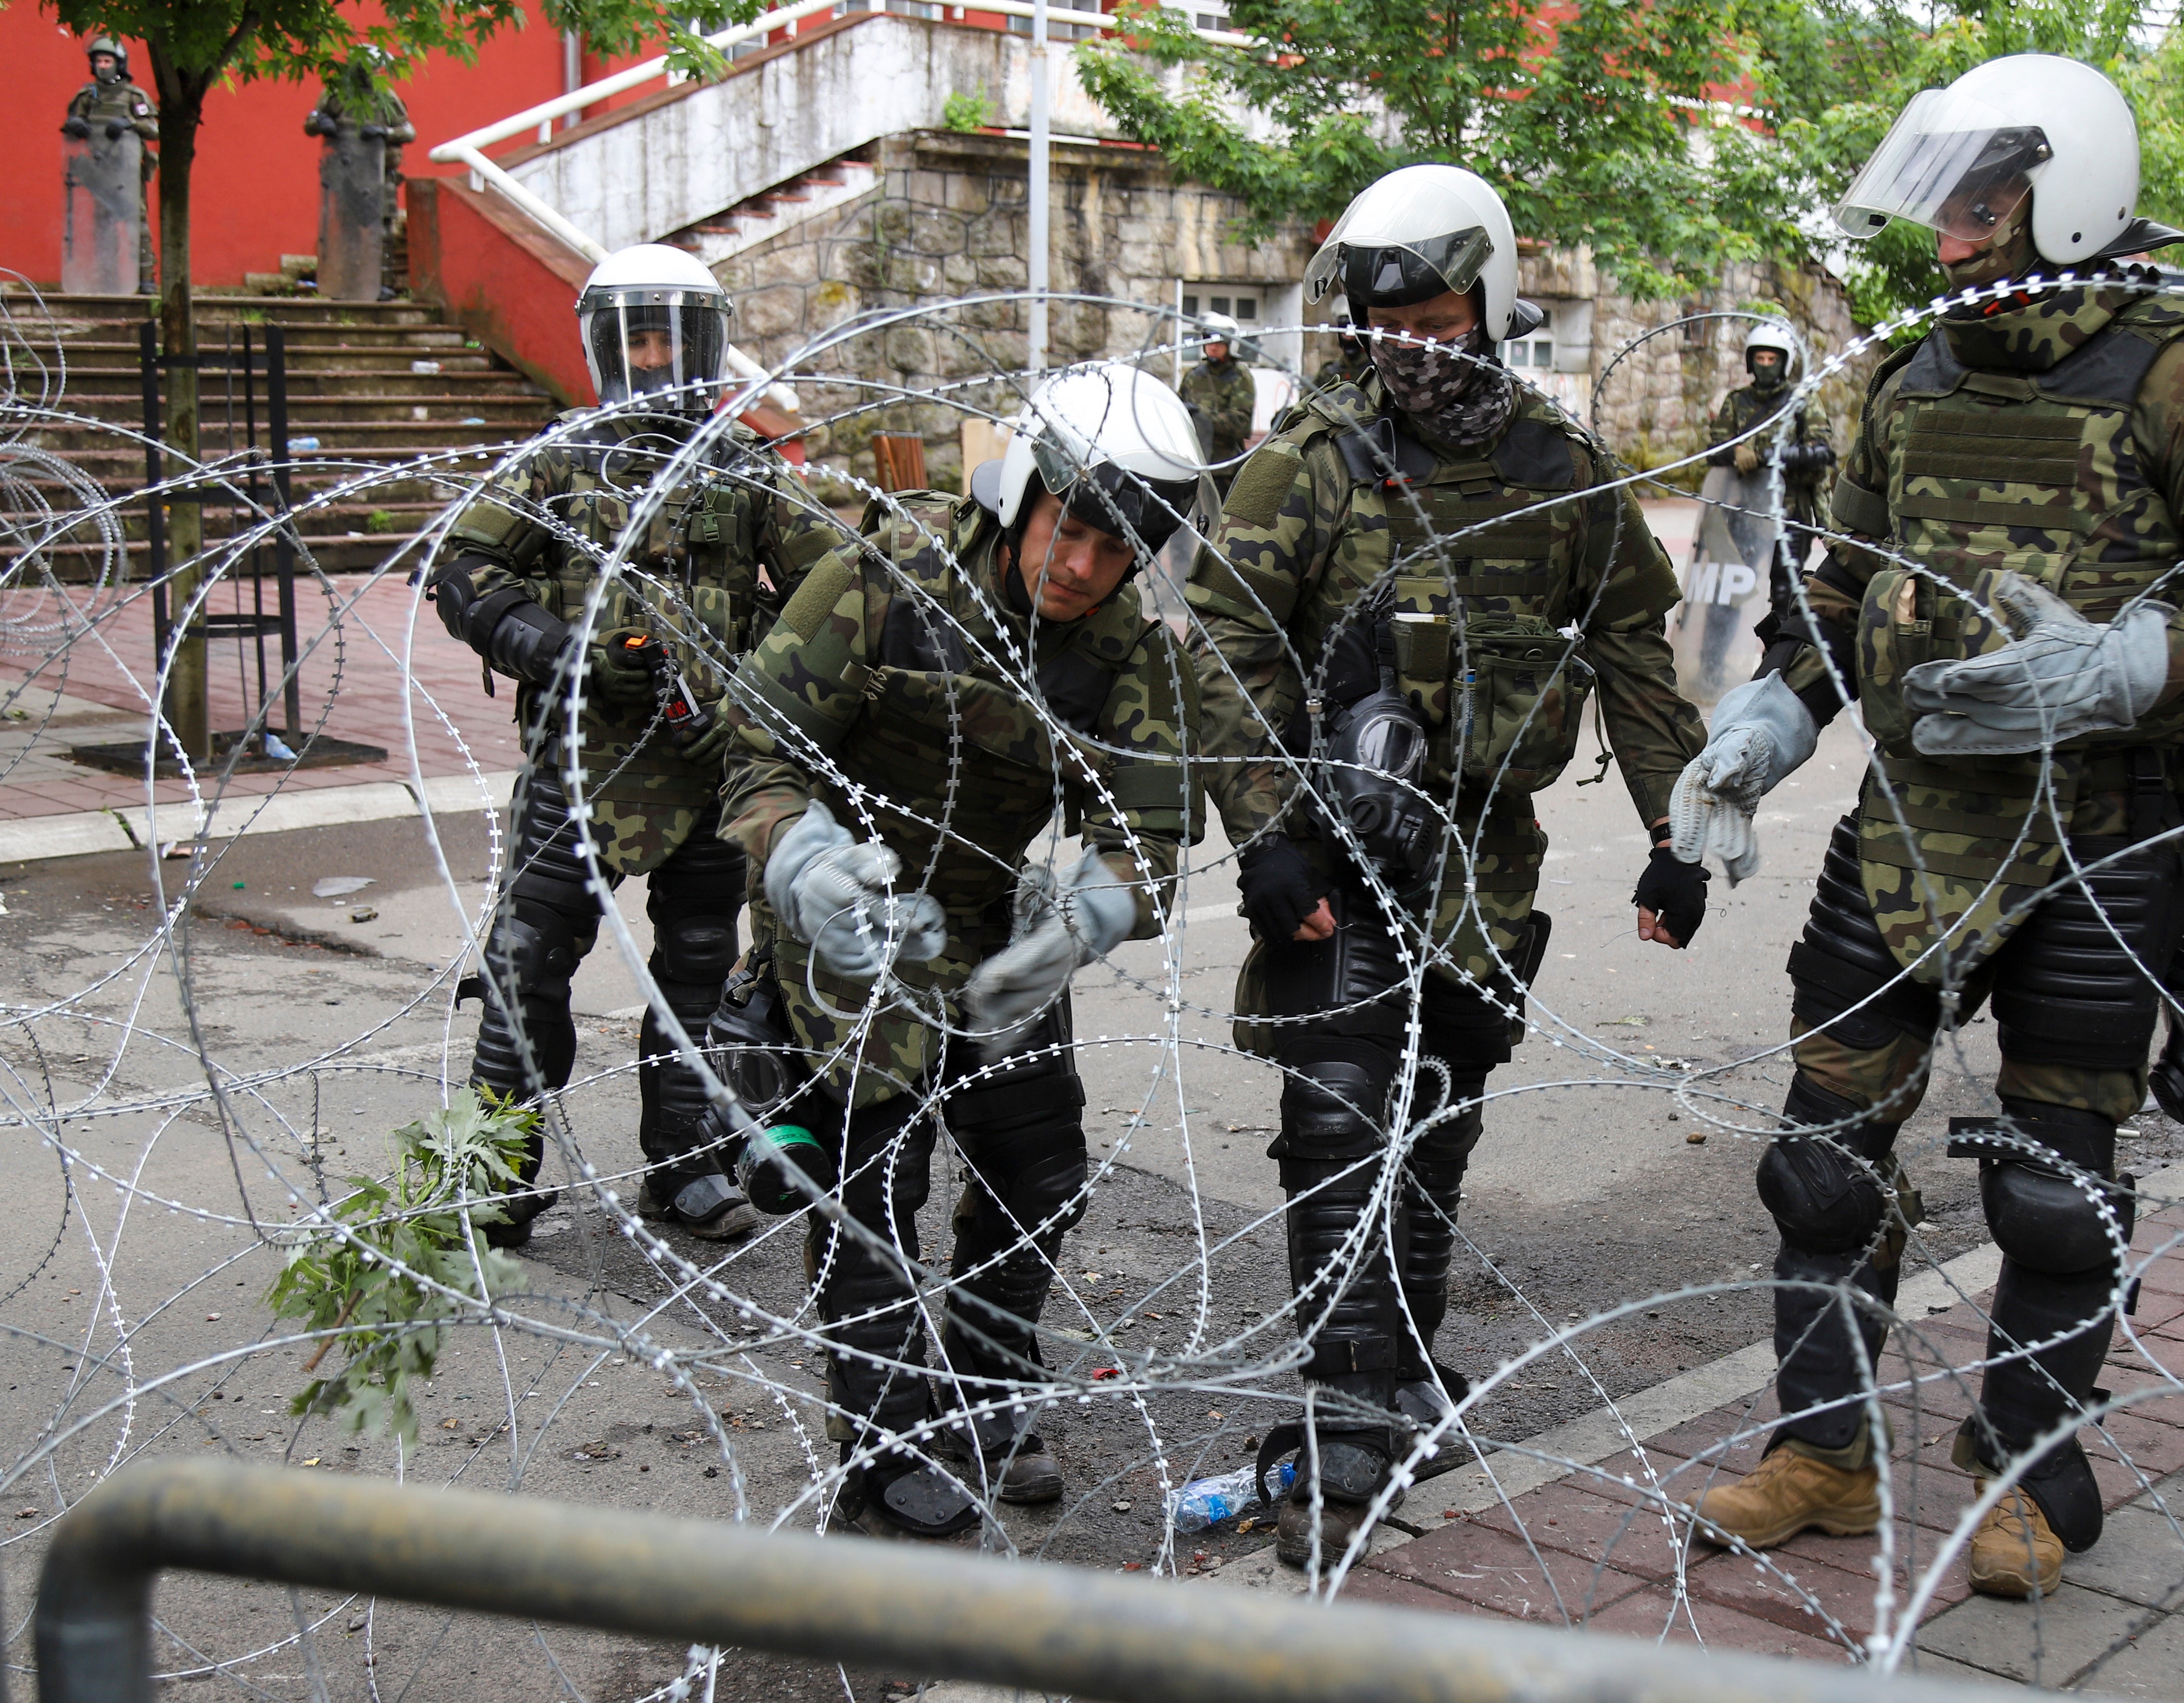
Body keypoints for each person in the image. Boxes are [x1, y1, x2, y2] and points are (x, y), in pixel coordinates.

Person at [1672, 54, 2184, 1599]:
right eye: (1950, 205)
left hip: (2104, 838)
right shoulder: (1909, 377)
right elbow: (1835, 586)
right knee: (1822, 1163)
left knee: (2054, 1179)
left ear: (2072, 195)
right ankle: (1824, 1455)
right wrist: (1773, 721)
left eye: (1984, 204)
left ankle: (2030, 1467)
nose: (1954, 239)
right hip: (1911, 829)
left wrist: (2134, 660)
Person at [1187, 162, 1711, 1570]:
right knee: (1342, 1110)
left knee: (1436, 1110)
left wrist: (1679, 830)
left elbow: (1634, 658)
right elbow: (1223, 643)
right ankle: (1344, 1423)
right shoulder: (1319, 457)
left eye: (1427, 304)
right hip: (1343, 839)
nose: (1403, 333)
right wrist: (1267, 824)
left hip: (1487, 852)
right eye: (1380, 309)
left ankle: (1400, 1361)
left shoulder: (1558, 468)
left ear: (1482, 299)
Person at [716, 364, 1205, 1538]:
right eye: (1068, 529)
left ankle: (985, 1395)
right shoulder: (880, 584)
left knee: (1035, 1166)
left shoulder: (1121, 649)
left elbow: (1141, 829)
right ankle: (883, 1447)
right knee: (874, 1180)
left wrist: (1086, 915)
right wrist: (804, 863)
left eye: (1113, 550)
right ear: (1020, 496)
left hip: (989, 919)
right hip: (846, 907)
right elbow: (755, 746)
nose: (1081, 567)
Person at [428, 243, 858, 1247]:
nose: (656, 359)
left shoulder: (745, 466)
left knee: (701, 968)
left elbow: (834, 591)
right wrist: (565, 652)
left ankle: (685, 1166)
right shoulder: (559, 458)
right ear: (605, 348)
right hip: (576, 766)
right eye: (638, 339)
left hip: (708, 764)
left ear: (704, 346)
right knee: (526, 964)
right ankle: (495, 1173)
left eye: (672, 338)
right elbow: (465, 568)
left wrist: (761, 673)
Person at [1699, 320, 1835, 648]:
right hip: (1743, 511)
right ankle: (1712, 666)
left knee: (1784, 594)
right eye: (1759, 359)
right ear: (1750, 362)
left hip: (1789, 513)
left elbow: (1821, 452)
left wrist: (1764, 455)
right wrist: (1734, 453)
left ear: (1783, 362)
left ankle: (1773, 668)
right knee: (1729, 590)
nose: (1764, 366)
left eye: (1771, 359)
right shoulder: (1736, 401)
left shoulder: (1801, 401)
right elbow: (1713, 452)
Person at [304, 46, 417, 294]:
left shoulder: (386, 98)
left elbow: (408, 131)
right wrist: (321, 122)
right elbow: (312, 122)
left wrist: (384, 133)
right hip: (345, 174)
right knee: (344, 227)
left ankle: (381, 284)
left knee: (382, 229)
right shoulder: (337, 95)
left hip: (378, 174)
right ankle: (343, 280)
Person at [61, 37, 156, 289]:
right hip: (100, 169)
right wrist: (75, 126)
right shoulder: (87, 96)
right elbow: (72, 127)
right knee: (104, 224)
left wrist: (130, 124)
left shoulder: (134, 96)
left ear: (119, 63)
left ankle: (146, 278)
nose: (103, 66)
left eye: (108, 60)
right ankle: (109, 278)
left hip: (128, 169)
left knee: (137, 220)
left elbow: (154, 129)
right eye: (99, 61)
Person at [1179, 311, 1258, 467]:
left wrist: (1202, 416)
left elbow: (1241, 425)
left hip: (1223, 467)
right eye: (1209, 342)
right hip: (1192, 460)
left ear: (1230, 345)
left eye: (1219, 343)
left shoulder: (1240, 377)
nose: (1213, 347)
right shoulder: (1193, 376)